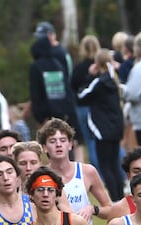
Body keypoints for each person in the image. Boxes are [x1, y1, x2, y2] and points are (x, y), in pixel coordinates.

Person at [76, 48, 125, 203]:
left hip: (102, 129)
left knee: (105, 166)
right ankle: (121, 198)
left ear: (97, 63)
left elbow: (81, 95)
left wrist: (89, 75)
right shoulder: (114, 81)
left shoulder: (99, 82)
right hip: (116, 128)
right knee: (114, 164)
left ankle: (116, 200)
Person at [29, 27, 80, 155]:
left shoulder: (36, 67)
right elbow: (67, 90)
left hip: (46, 114)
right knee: (63, 142)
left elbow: (36, 93)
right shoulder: (59, 64)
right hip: (64, 112)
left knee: (50, 145)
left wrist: (39, 116)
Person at [71, 34, 101, 165]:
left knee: (90, 141)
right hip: (100, 108)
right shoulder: (102, 67)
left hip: (82, 108)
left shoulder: (79, 68)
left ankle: (97, 171)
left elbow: (72, 87)